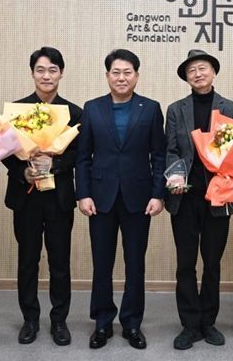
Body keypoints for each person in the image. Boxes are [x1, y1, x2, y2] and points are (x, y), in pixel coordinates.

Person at [76, 49, 166, 350]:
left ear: (136, 76)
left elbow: (159, 155)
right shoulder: (92, 108)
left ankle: (132, 322)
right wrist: (83, 193)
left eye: (128, 72)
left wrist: (158, 194)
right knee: (102, 262)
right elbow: (83, 157)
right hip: (100, 197)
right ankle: (102, 321)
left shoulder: (150, 108)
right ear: (107, 76)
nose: (121, 78)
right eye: (116, 72)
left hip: (138, 198)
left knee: (135, 263)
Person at [1, 47, 82, 346]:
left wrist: (55, 163)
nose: (46, 76)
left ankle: (59, 320)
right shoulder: (16, 111)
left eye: (52, 70)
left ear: (61, 73)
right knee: (27, 260)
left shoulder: (75, 113)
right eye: (40, 70)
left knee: (60, 261)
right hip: (27, 196)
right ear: (32, 73)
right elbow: (4, 151)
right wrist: (23, 171)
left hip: (59, 197)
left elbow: (81, 153)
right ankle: (30, 319)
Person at [164, 49, 233, 350]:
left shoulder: (231, 109)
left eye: (203, 68)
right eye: (192, 70)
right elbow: (171, 149)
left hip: (218, 197)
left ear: (213, 72)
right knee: (185, 263)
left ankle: (208, 321)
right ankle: (189, 324)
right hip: (185, 197)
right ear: (186, 77)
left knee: (212, 262)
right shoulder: (176, 109)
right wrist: (175, 176)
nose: (198, 74)